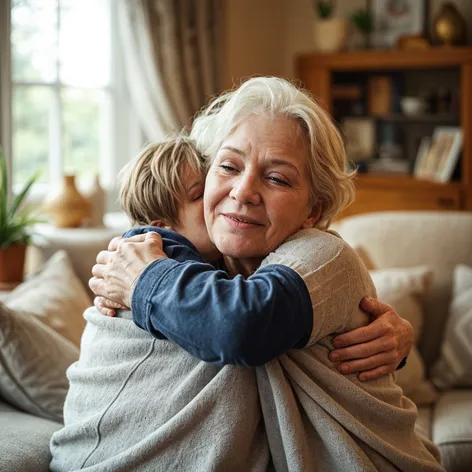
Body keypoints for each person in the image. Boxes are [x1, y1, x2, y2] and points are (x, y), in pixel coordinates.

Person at [88, 78, 443, 470]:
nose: (243, 191)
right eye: (228, 166)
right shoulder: (207, 264)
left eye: (277, 178)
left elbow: (243, 326)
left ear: (313, 209)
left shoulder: (324, 253)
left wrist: (142, 280)